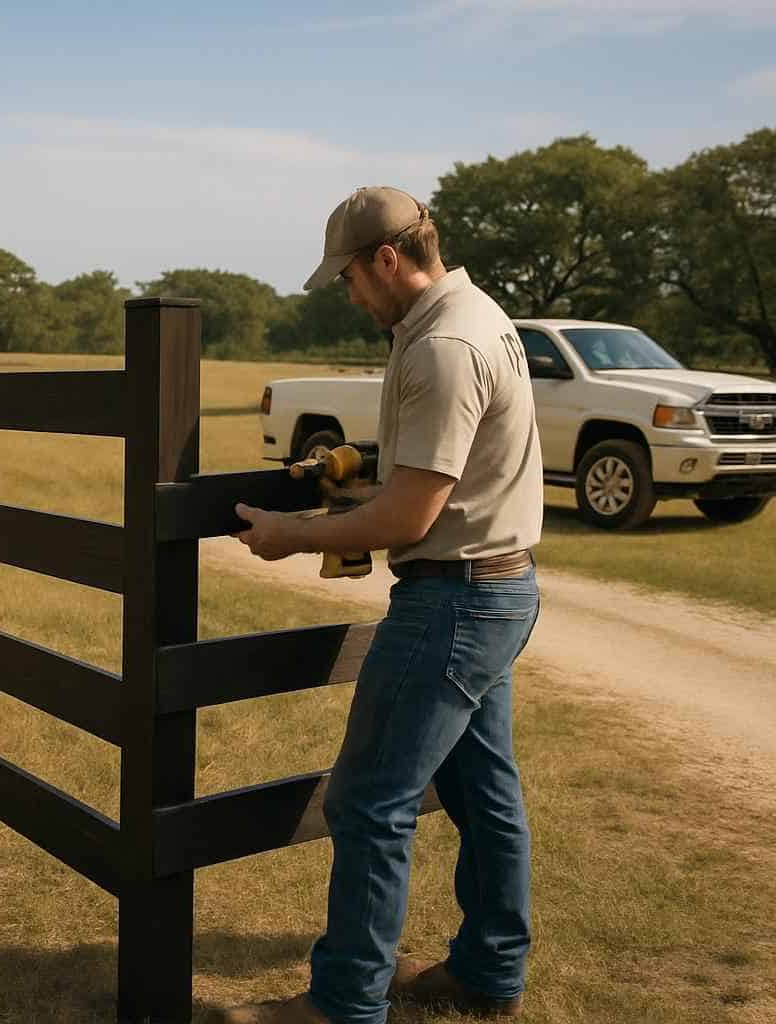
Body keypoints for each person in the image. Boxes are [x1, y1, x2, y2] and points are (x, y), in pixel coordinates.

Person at [215, 187, 544, 1024]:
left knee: (368, 801)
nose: (351, 295)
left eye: (351, 278)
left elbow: (408, 519)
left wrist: (291, 535)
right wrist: (363, 462)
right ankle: (488, 973)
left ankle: (344, 1003)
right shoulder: (474, 316)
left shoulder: (444, 346)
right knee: (483, 794)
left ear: (388, 259)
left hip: (454, 603)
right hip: (499, 589)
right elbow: (444, 465)